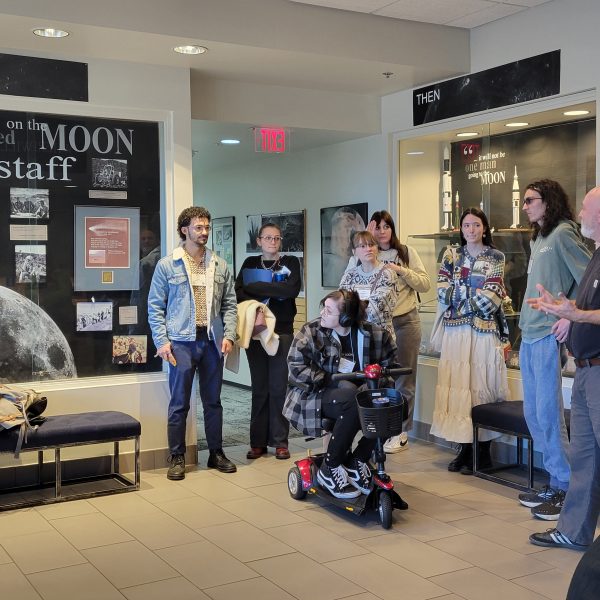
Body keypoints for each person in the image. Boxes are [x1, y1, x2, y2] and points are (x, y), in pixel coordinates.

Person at [528, 186, 600, 551]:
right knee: (585, 460)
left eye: (586, 210)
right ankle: (573, 532)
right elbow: (585, 305)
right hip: (586, 369)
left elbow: (590, 312)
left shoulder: (568, 238)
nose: (580, 217)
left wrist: (577, 315)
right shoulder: (597, 257)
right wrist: (565, 308)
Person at [517, 179, 591, 518]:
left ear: (548, 202)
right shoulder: (540, 237)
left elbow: (589, 277)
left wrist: (571, 316)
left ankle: (565, 486)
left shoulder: (563, 233)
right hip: (529, 332)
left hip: (547, 334)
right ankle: (554, 481)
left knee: (548, 414)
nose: (525, 206)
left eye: (530, 200)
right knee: (534, 414)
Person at [148, 206, 238, 480]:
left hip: (211, 341)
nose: (204, 232)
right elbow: (154, 306)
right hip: (181, 342)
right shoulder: (168, 264)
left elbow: (230, 305)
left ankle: (216, 453)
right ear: (184, 229)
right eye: (199, 227)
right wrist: (162, 341)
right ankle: (177, 456)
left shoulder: (219, 264)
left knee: (213, 401)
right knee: (179, 403)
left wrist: (230, 336)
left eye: (207, 227)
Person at [283, 290, 397, 499]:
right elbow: (295, 367)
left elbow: (391, 366)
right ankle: (330, 467)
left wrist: (378, 381)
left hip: (356, 395)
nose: (322, 313)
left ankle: (358, 460)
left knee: (392, 404)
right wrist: (325, 378)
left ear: (346, 317)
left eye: (328, 310)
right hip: (315, 394)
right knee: (350, 396)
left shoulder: (376, 335)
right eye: (323, 308)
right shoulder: (312, 331)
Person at [430, 207, 510, 474]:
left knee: (481, 387)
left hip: (484, 331)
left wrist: (461, 297)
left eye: (476, 225)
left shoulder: (496, 256)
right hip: (455, 333)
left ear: (484, 228)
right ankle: (464, 449)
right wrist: (469, 295)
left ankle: (483, 451)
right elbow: (441, 291)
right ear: (461, 229)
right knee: (459, 388)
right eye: (466, 226)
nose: (471, 230)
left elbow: (492, 297)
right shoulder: (451, 255)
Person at [345, 210, 430, 453]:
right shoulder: (369, 253)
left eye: (386, 227)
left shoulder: (405, 253)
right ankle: (377, 429)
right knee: (378, 379)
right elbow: (350, 274)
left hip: (405, 322)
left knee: (404, 377)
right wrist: (366, 240)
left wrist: (400, 270)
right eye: (378, 227)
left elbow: (424, 284)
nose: (382, 232)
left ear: (392, 229)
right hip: (376, 327)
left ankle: (400, 432)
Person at [235, 222, 301, 460]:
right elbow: (239, 292)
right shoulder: (250, 263)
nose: (273, 242)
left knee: (279, 387)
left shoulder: (291, 262)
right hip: (255, 332)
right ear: (259, 241)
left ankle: (280, 442)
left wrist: (258, 287)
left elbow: (291, 291)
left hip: (281, 332)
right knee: (260, 388)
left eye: (277, 238)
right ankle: (258, 442)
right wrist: (276, 287)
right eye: (268, 238)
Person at [339, 230, 398, 340]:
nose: (368, 249)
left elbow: (375, 309)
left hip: (380, 337)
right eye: (362, 246)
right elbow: (341, 304)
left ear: (377, 248)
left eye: (371, 245)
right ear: (354, 251)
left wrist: (351, 309)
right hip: (353, 336)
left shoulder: (387, 273)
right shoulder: (349, 275)